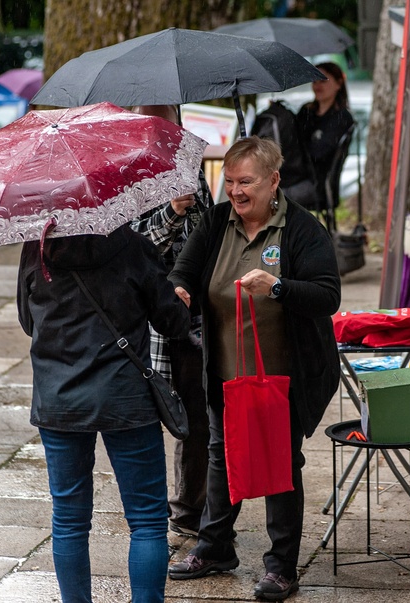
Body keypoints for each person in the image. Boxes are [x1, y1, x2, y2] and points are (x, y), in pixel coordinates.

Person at [167, 136, 341, 601]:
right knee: (222, 456)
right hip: (227, 371)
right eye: (230, 181)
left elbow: (328, 296)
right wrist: (180, 290)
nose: (235, 192)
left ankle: (282, 567)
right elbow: (183, 271)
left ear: (274, 181)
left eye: (246, 182)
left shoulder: (302, 229)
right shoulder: (216, 221)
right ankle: (215, 546)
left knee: (280, 464)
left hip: (287, 376)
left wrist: (279, 287)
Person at [17, 225, 190, 603]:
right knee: (145, 520)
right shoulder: (133, 246)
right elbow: (173, 322)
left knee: (69, 519)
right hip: (124, 397)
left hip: (58, 398)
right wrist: (178, 300)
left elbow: (29, 322)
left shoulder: (38, 249)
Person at [130, 104, 214, 539]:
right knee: (147, 414)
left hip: (193, 313)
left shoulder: (190, 168)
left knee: (196, 417)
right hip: (148, 317)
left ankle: (187, 508)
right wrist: (171, 213)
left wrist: (194, 211)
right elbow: (132, 246)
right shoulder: (126, 174)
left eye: (169, 126)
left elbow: (210, 232)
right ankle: (145, 507)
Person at [295, 62, 354, 212]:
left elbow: (319, 153)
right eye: (314, 81)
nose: (317, 86)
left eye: (323, 80)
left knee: (273, 195)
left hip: (317, 184)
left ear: (338, 83)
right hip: (295, 176)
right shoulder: (306, 111)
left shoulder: (342, 118)